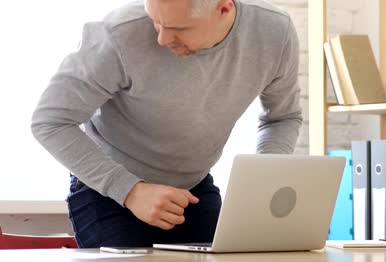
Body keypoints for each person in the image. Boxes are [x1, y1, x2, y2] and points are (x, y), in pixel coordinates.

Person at [31, 0, 302, 248]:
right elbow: (50, 121)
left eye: (177, 28)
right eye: (155, 21)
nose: (161, 38)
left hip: (191, 189)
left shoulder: (274, 34)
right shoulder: (117, 34)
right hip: (108, 190)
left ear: (224, 8)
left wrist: (263, 181)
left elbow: (282, 118)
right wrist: (130, 191)